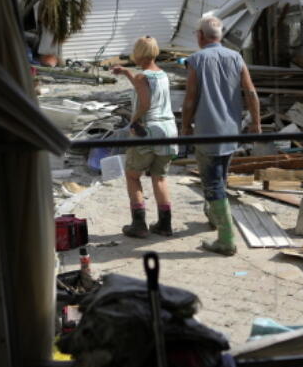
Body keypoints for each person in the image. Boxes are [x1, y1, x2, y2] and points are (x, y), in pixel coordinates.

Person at [181, 15, 261, 256]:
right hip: (231, 130)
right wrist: (256, 123)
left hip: (207, 131)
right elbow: (251, 91)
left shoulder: (196, 59)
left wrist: (185, 127)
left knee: (213, 182)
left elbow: (191, 98)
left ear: (200, 36)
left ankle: (226, 239)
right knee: (221, 176)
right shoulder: (236, 57)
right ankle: (216, 217)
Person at [111, 36, 179, 238]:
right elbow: (142, 85)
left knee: (132, 176)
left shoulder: (143, 77)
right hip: (169, 131)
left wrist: (134, 121)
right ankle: (165, 225)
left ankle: (139, 224)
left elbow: (145, 103)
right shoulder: (163, 75)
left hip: (148, 130)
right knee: (160, 178)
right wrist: (126, 73)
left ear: (138, 53)